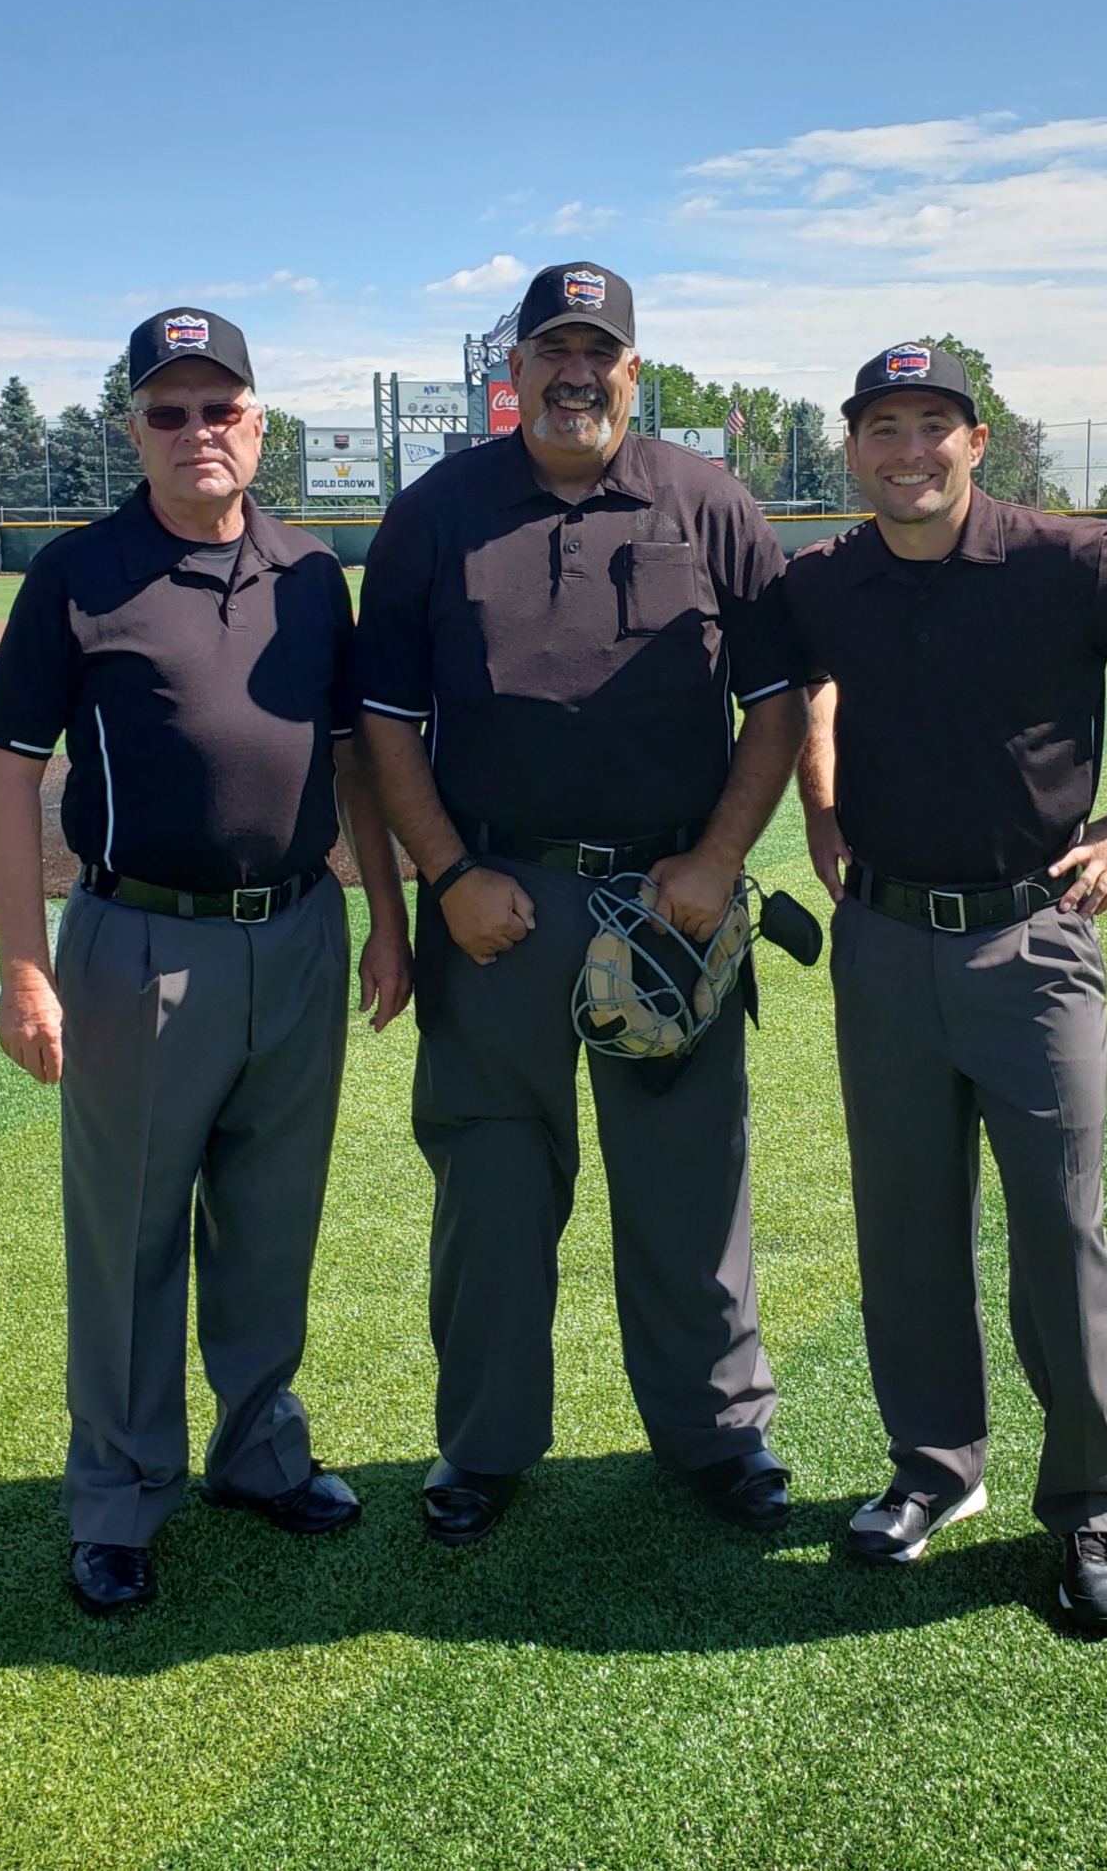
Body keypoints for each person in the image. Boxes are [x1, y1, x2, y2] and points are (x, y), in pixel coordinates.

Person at [354, 261, 808, 1544]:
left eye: (596, 350)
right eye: (551, 346)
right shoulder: (436, 512)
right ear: (515, 368)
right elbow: (383, 722)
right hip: (497, 896)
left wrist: (721, 858)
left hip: (672, 894)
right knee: (492, 1181)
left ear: (630, 365)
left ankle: (720, 1434)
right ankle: (485, 1445)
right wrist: (447, 874)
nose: (574, 371)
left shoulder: (706, 501)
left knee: (687, 1180)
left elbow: (776, 705)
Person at [0, 306, 412, 1615]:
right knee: (128, 1241)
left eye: (218, 405)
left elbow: (349, 757)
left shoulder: (307, 571)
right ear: (134, 428)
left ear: (257, 420)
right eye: (167, 409)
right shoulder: (78, 573)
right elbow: (7, 778)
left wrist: (384, 915)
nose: (195, 430)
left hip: (295, 931)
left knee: (272, 1222)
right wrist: (21, 965)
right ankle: (116, 1494)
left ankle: (260, 1451)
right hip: (139, 943)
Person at [784, 340, 1107, 1630]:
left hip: (1034, 941)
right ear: (852, 447)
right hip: (881, 936)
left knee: (1059, 1233)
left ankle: (1091, 1506)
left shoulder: (1068, 557)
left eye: (934, 425)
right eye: (882, 427)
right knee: (906, 1224)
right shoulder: (830, 577)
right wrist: (819, 796)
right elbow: (803, 676)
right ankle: (935, 1469)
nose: (907, 450)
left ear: (979, 441)